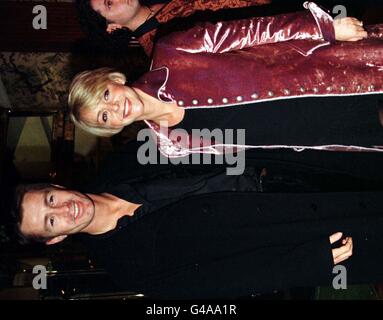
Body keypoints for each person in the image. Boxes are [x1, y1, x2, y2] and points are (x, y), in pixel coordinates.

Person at [11, 149, 383, 299]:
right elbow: (223, 283)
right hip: (288, 231)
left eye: (50, 200)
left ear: (56, 186)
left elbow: (200, 141)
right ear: (55, 238)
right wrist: (307, 262)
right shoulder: (129, 268)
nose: (63, 210)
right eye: (50, 221)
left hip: (286, 171)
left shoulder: (119, 163)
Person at [69, 2, 383, 161]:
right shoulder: (171, 146)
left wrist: (324, 29)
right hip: (335, 131)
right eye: (105, 115)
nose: (116, 106)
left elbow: (254, 30)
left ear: (113, 78)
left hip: (332, 74)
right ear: (110, 128)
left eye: (106, 94)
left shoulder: (171, 50)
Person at [76, 0, 271, 56]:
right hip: (279, 20)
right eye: (110, 3)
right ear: (112, 27)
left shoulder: (155, 6)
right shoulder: (162, 47)